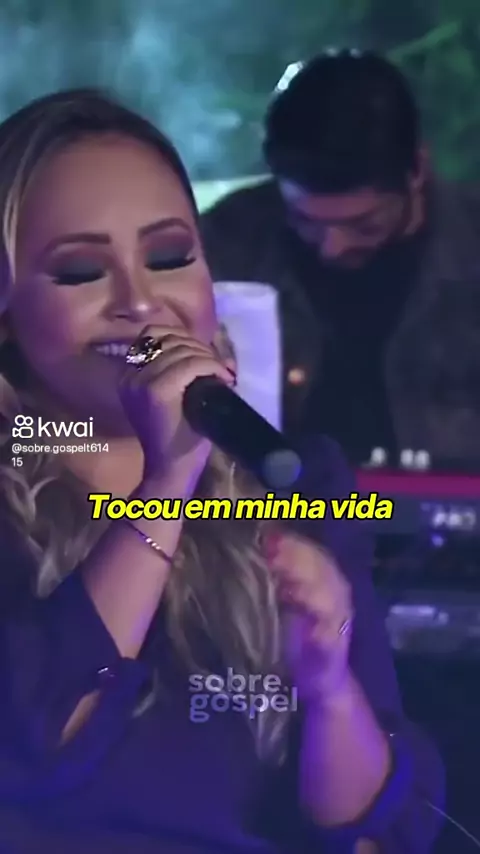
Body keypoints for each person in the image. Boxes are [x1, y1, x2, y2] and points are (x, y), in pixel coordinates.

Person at [0, 88, 443, 854]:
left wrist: (328, 688)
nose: (141, 301)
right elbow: (33, 749)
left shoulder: (297, 482)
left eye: (169, 257)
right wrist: (167, 482)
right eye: (81, 270)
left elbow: (370, 832)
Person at [201, 50, 480, 468]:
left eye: (364, 225)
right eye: (305, 220)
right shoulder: (229, 243)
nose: (332, 247)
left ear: (417, 170)